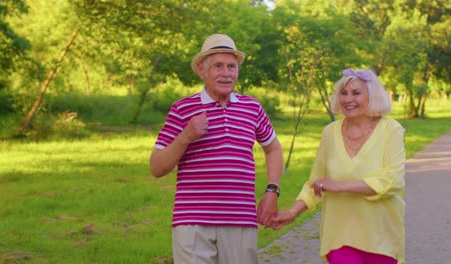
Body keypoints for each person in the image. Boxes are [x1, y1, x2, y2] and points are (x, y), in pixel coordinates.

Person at [149, 33, 283, 263]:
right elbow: (157, 167)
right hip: (192, 222)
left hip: (240, 218)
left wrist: (272, 191)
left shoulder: (251, 107)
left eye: (232, 66)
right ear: (202, 70)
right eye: (218, 66)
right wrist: (186, 136)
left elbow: (273, 149)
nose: (226, 73)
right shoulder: (182, 109)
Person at [271, 68, 405, 264]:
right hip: (339, 236)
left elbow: (392, 180)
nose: (348, 99)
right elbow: (315, 184)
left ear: (372, 96)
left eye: (356, 93)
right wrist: (292, 214)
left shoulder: (390, 129)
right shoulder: (329, 133)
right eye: (344, 93)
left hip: (381, 237)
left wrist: (340, 185)